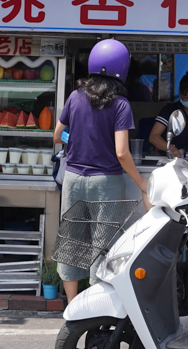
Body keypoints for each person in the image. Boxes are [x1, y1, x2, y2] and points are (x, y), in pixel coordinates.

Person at [53, 39, 148, 303]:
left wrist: (81, 139)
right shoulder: (120, 105)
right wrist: (140, 182)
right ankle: (95, 308)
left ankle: (72, 308)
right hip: (105, 182)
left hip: (73, 179)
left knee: (71, 240)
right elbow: (121, 152)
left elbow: (57, 135)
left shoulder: (74, 97)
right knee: (103, 244)